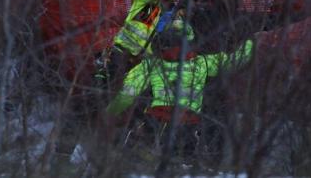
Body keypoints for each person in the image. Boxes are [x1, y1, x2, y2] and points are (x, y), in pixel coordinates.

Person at [104, 15, 255, 161]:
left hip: (155, 124)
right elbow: (234, 62)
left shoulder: (150, 65)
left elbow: (127, 95)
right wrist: (251, 42)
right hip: (188, 125)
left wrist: (107, 115)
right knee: (182, 163)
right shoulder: (203, 63)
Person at [96, 0, 194, 88]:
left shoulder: (174, 13)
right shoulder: (145, 0)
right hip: (120, 54)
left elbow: (184, 39)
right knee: (104, 87)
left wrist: (180, 27)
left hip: (142, 64)